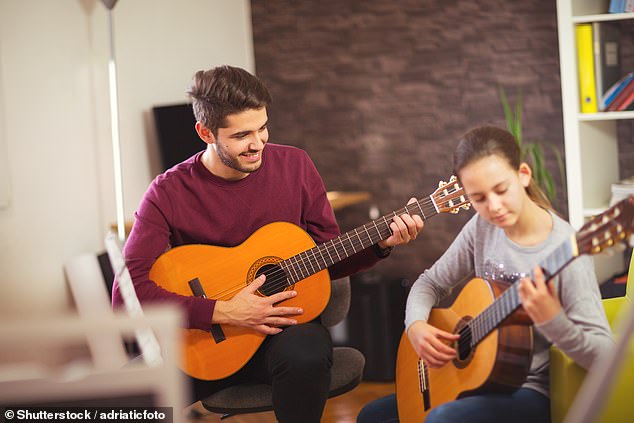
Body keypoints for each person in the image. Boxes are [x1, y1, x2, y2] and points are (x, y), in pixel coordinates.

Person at [111, 65, 424, 423]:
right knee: (117, 402)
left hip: (286, 333)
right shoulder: (167, 192)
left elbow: (326, 257)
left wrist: (379, 244)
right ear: (205, 132)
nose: (258, 143)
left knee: (306, 354)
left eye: (262, 128)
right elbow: (126, 295)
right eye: (242, 134)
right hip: (206, 341)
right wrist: (223, 311)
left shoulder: (296, 166)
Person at [357, 125, 614, 423]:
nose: (493, 207)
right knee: (371, 415)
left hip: (529, 392)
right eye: (478, 198)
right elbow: (430, 282)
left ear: (524, 175)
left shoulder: (567, 252)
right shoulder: (482, 227)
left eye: (501, 190)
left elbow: (605, 357)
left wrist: (552, 320)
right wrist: (415, 325)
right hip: (472, 378)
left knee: (443, 420)